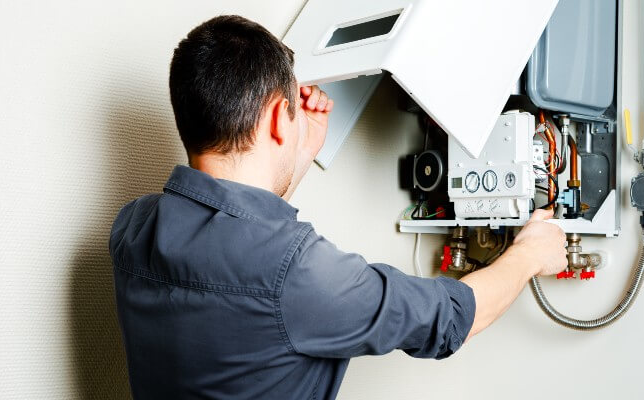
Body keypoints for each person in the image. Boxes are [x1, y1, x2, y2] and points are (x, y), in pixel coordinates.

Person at [109, 15, 567, 400]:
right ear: (274, 117)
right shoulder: (298, 274)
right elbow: (451, 318)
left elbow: (240, 242)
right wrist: (531, 253)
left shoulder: (133, 228)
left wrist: (299, 148)